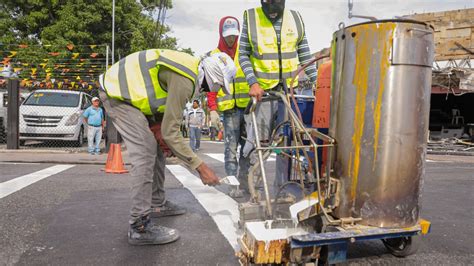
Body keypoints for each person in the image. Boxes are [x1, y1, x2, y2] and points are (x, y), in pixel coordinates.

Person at [99, 49, 236, 246]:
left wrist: (160, 130)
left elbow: (157, 102)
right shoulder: (185, 80)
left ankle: (156, 203)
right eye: (219, 84)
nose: (215, 90)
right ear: (213, 77)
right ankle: (139, 225)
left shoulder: (188, 71)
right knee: (145, 152)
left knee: (156, 147)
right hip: (116, 94)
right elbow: (172, 132)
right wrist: (201, 167)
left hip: (128, 96)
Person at [239, 0, 317, 191]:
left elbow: (304, 54)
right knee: (259, 144)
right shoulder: (251, 17)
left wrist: (317, 81)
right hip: (263, 93)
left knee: (288, 143)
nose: (271, 5)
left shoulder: (296, 18)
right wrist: (253, 82)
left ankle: (282, 190)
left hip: (290, 93)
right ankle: (252, 189)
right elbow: (243, 54)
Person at [207, 16, 252, 198]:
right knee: (231, 150)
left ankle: (245, 182)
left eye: (234, 35)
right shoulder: (214, 56)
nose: (231, 39)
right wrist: (212, 109)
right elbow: (210, 85)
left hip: (248, 108)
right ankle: (234, 185)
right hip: (229, 111)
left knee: (248, 149)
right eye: (228, 35)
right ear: (221, 34)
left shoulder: (245, 53)